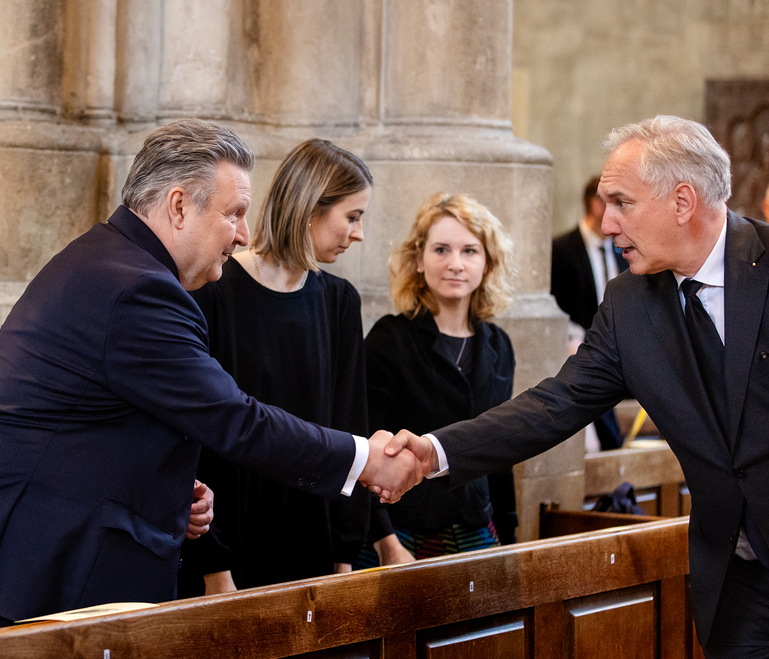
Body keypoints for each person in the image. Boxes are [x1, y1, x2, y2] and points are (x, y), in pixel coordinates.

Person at [0, 119, 427, 638]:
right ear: (179, 206)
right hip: (14, 583)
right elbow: (235, 420)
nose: (244, 234)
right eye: (234, 213)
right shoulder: (136, 290)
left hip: (29, 572)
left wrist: (168, 492)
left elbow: (93, 426)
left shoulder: (115, 263)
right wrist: (365, 460)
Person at [391, 115, 769, 657]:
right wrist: (434, 452)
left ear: (682, 201)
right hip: (736, 585)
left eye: (622, 203)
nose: (607, 223)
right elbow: (555, 404)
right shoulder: (629, 302)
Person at [179, 139, 373, 595]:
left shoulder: (339, 301)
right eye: (352, 216)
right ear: (311, 208)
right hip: (227, 535)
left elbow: (350, 425)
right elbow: (196, 435)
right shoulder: (214, 291)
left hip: (310, 531)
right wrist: (214, 565)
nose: (359, 233)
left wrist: (344, 553)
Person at [357, 193, 517, 568]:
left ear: (488, 263)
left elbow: (503, 450)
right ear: (419, 259)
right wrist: (386, 541)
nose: (455, 264)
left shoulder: (498, 345)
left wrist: (510, 539)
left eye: (469, 251)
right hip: (402, 531)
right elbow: (362, 447)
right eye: (441, 249)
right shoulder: (389, 339)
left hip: (477, 525)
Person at [551, 176, 630, 450]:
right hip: (580, 355)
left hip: (622, 360)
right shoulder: (561, 250)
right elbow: (555, 305)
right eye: (618, 204)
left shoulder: (625, 251)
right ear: (596, 205)